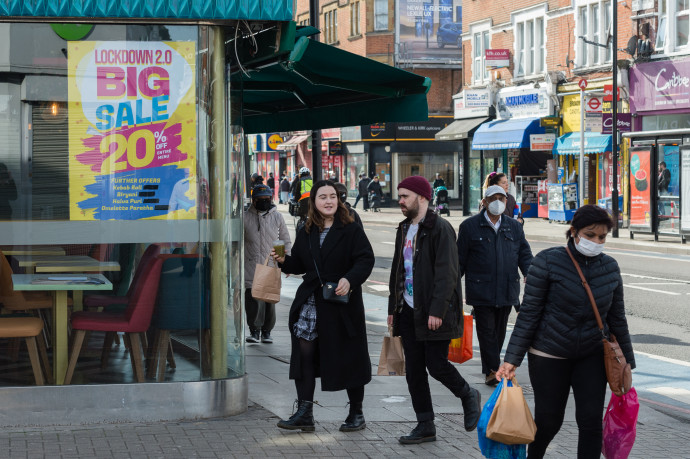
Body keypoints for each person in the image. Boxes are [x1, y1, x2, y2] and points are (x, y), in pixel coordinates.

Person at [495, 205, 636, 459]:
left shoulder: (610, 267)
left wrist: (628, 364)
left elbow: (617, 319)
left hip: (592, 354)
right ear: (574, 232)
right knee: (549, 421)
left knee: (591, 422)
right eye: (590, 235)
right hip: (550, 354)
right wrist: (511, 360)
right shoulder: (547, 261)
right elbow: (529, 314)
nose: (596, 241)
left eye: (602, 237)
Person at [272, 180, 375, 433]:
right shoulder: (307, 229)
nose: (328, 201)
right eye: (322, 197)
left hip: (341, 303)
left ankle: (356, 413)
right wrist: (284, 261)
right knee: (304, 355)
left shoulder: (350, 228)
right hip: (312, 302)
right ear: (313, 202)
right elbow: (300, 264)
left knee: (350, 356)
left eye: (332, 196)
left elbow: (365, 258)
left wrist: (349, 279)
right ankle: (305, 412)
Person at [388, 175, 481, 444]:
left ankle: (467, 394)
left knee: (437, 365)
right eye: (400, 195)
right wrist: (393, 307)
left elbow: (448, 274)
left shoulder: (440, 228)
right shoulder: (404, 228)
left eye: (405, 196)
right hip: (407, 311)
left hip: (433, 313)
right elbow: (398, 270)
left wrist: (437, 311)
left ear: (423, 197)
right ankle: (425, 424)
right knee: (414, 370)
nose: (400, 201)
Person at [457, 185, 533, 386]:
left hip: (508, 289)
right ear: (484, 201)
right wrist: (451, 286)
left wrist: (530, 273)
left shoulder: (514, 227)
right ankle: (492, 370)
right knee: (486, 332)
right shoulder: (469, 226)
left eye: (502, 197)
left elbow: (524, 254)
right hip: (481, 290)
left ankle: (492, 367)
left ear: (507, 201)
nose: (498, 201)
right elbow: (460, 261)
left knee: (498, 332)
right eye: (494, 198)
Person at [244, 184, 292, 344]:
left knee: (269, 299)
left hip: (271, 263)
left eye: (267, 199)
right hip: (251, 264)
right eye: (260, 199)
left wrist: (286, 262)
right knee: (253, 299)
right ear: (254, 200)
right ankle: (254, 330)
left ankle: (266, 331)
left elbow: (284, 239)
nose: (264, 202)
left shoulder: (277, 217)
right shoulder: (245, 217)